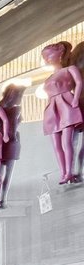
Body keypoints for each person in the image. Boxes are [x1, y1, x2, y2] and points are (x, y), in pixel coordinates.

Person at [41, 41, 82, 185]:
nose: (46, 59)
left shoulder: (69, 69)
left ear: (60, 54)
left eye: (48, 55)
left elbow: (79, 83)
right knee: (56, 145)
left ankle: (69, 172)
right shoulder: (48, 78)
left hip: (66, 104)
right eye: (44, 57)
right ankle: (63, 173)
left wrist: (76, 99)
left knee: (67, 142)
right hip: (52, 109)